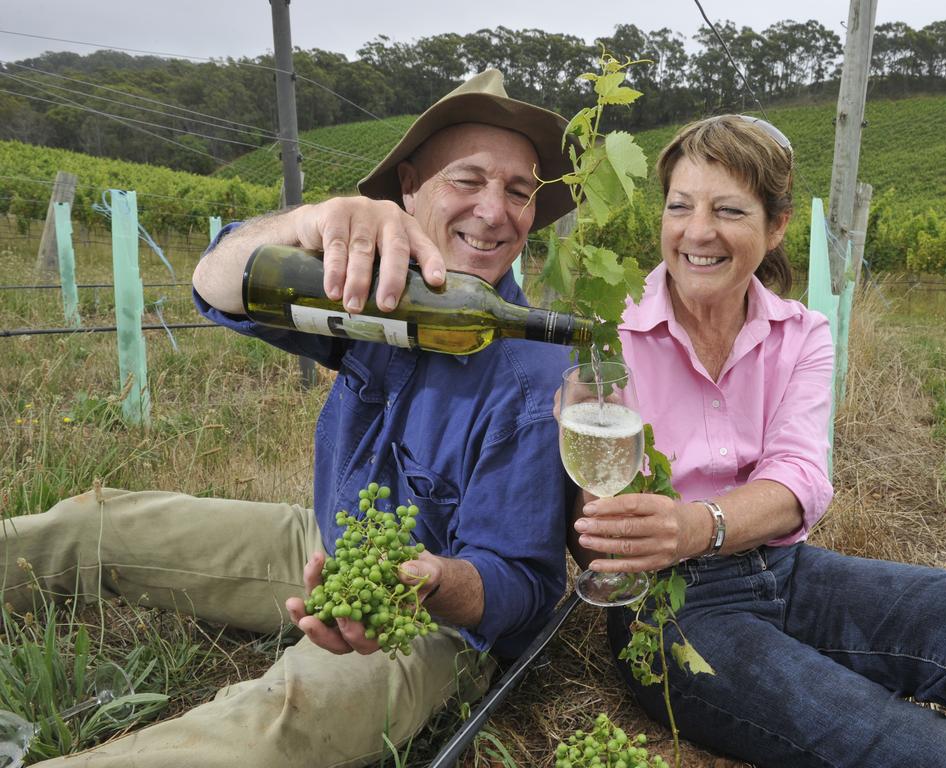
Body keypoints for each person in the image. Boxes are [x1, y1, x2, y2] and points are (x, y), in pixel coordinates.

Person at [1, 70, 578, 767]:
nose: (496, 211)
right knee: (97, 522)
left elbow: (524, 585)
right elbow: (217, 289)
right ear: (410, 186)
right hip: (324, 537)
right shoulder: (379, 299)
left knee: (275, 723)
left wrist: (431, 582)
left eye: (519, 192)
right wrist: (307, 221)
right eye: (469, 179)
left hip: (429, 620)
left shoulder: (535, 379)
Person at [568, 115, 946, 768]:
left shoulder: (801, 332)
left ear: (775, 225)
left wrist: (701, 523)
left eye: (728, 209)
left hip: (787, 571)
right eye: (679, 207)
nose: (697, 231)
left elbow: (801, 473)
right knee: (921, 750)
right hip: (674, 611)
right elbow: (597, 502)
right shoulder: (610, 330)